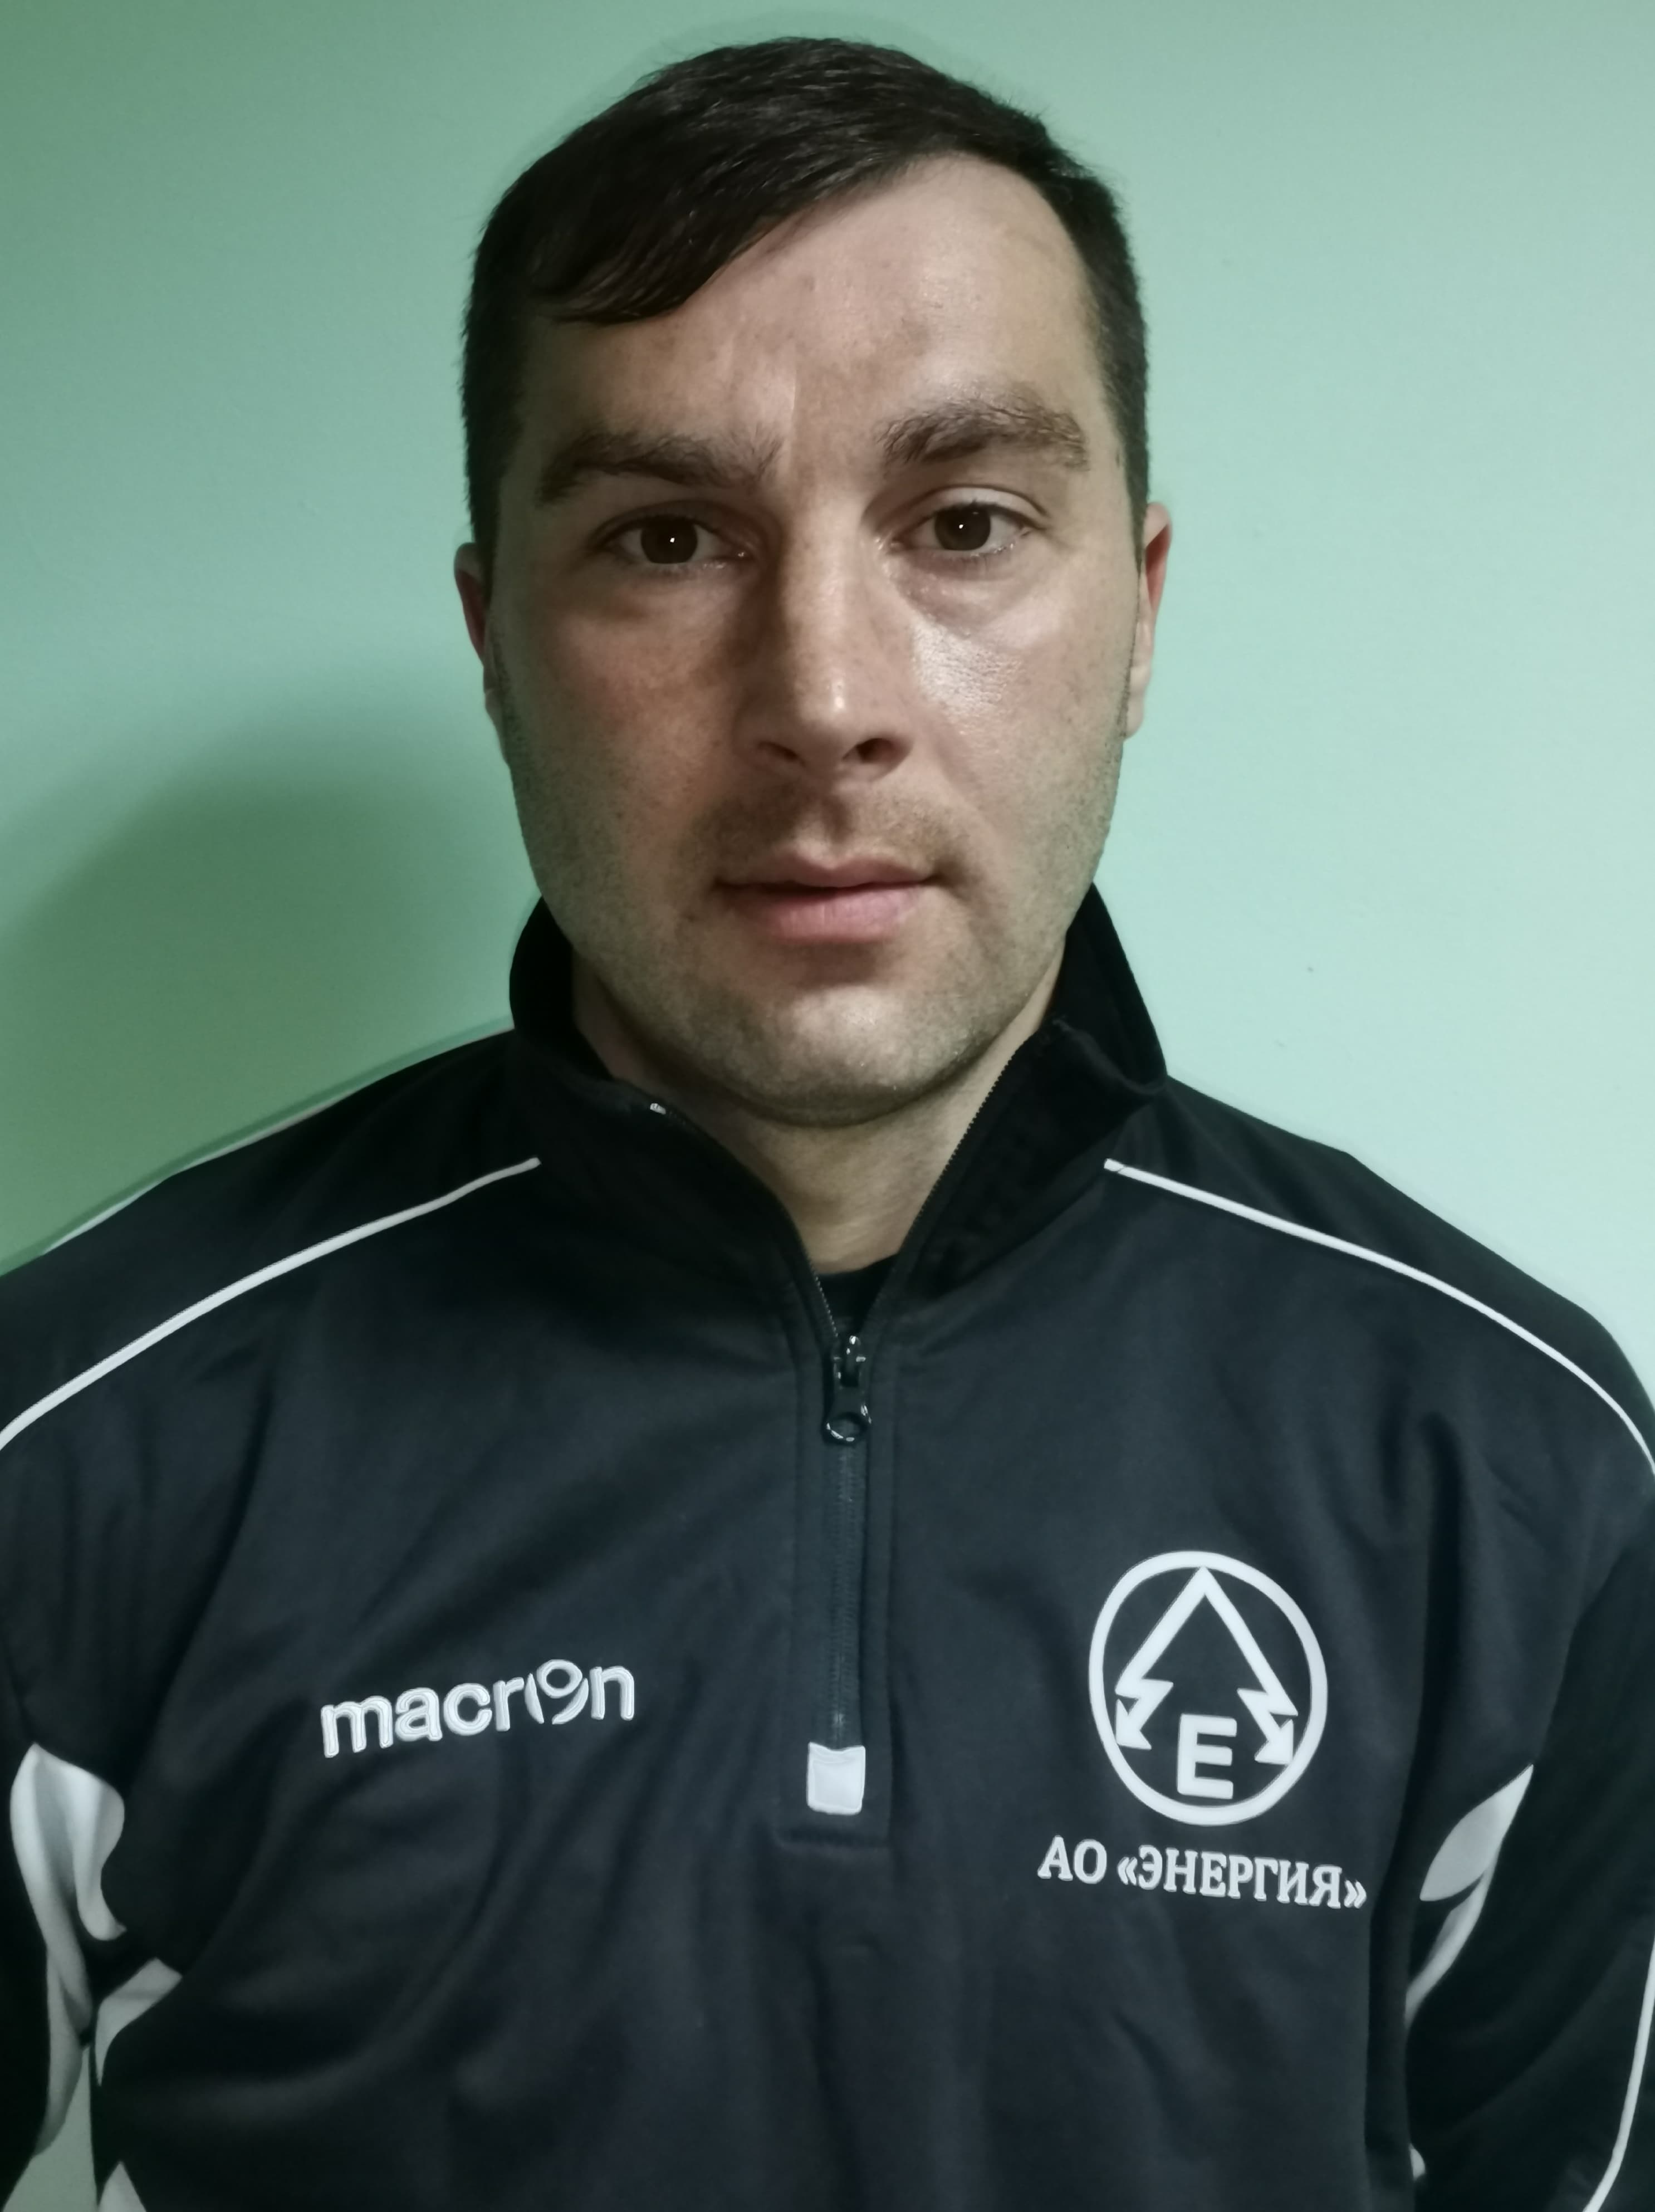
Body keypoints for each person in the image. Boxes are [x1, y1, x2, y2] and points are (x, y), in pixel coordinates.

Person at [0, 33, 1650, 2212]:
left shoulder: (1509, 1468)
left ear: (1137, 611)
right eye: (666, 538)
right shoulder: (81, 1438)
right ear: (495, 634)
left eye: (962, 524)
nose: (823, 701)